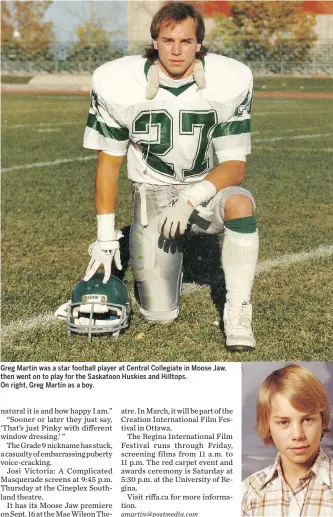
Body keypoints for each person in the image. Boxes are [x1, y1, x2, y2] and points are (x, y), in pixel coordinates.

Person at [83, 2, 259, 351]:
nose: (177, 50)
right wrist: (104, 236)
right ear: (155, 41)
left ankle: (237, 310)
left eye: (186, 41)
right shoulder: (119, 82)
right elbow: (109, 164)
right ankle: (128, 236)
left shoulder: (227, 80)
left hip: (203, 193)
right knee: (160, 315)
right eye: (168, 40)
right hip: (152, 194)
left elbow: (235, 167)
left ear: (199, 44)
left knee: (240, 201)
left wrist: (191, 198)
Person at [242, 364, 333, 516]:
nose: (297, 434)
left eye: (307, 420)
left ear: (323, 420)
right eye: (283, 422)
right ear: (267, 425)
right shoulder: (248, 493)